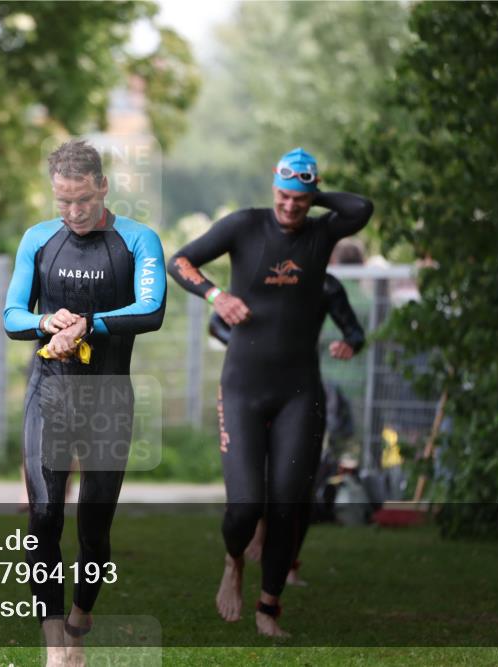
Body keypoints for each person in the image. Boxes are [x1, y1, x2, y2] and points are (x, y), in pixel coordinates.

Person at [167, 147, 373, 637]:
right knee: (244, 508)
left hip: (300, 390)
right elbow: (180, 261)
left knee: (287, 502)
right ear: (272, 190)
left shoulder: (324, 232)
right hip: (242, 387)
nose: (289, 206)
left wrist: (313, 190)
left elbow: (361, 208)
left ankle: (269, 607)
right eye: (282, 194)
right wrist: (217, 295)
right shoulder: (244, 225)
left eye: (299, 198)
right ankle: (233, 560)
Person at [4, 139, 166, 666]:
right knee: (44, 517)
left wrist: (89, 324)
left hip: (107, 398)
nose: (73, 213)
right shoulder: (39, 239)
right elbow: (11, 316)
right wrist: (45, 322)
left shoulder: (138, 240)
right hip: (49, 390)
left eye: (82, 201)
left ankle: (80, 617)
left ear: (102, 187)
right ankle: (57, 646)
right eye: (62, 202)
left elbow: (151, 309)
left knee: (93, 530)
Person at [210, 269, 366, 585]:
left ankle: (288, 564)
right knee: (254, 478)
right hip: (249, 391)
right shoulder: (259, 270)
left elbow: (355, 333)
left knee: (297, 484)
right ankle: (250, 537)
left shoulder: (325, 283)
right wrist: (247, 347)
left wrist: (349, 344)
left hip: (299, 394)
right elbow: (216, 325)